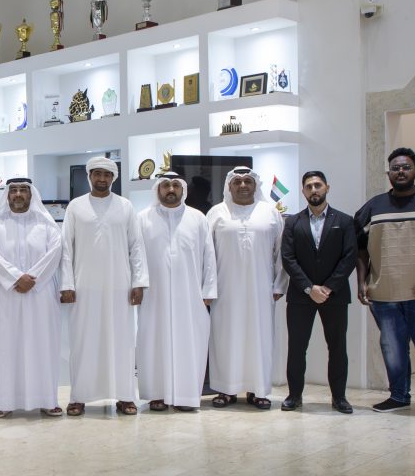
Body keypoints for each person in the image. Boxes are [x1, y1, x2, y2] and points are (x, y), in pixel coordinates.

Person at [355, 147, 415, 420]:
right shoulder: (373, 207)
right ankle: (398, 396)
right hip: (385, 293)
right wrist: (361, 282)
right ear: (388, 173)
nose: (401, 171)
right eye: (396, 168)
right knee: (392, 348)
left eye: (406, 167)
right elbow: (359, 249)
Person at [60, 157, 147, 417]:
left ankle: (125, 396)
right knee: (83, 341)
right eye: (97, 174)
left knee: (121, 341)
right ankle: (79, 397)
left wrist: (138, 282)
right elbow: (66, 248)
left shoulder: (126, 206)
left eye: (106, 174)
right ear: (89, 176)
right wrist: (67, 284)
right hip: (84, 286)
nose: (101, 179)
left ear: (113, 178)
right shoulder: (76, 207)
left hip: (119, 286)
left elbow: (136, 246)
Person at [206, 167, 287, 410]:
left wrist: (279, 284)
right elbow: (207, 254)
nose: (243, 185)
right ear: (229, 186)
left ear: (255, 186)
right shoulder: (216, 213)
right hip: (225, 291)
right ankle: (225, 389)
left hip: (260, 289)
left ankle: (258, 390)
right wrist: (209, 288)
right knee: (225, 338)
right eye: (237, 181)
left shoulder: (270, 213)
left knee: (259, 338)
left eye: (248, 181)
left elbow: (281, 252)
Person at [136, 172, 217, 412]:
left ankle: (186, 396)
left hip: (190, 294)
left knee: (189, 343)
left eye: (175, 185)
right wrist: (137, 284)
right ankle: (156, 394)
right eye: (165, 185)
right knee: (153, 341)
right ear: (158, 189)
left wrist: (209, 289)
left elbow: (209, 255)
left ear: (182, 189)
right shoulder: (143, 218)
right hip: (154, 294)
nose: (170, 189)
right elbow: (136, 256)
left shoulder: (197, 218)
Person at [0, 178, 63, 417]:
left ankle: (47, 400)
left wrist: (32, 279)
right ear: (7, 195)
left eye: (23, 190)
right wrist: (16, 278)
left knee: (43, 346)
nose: (18, 194)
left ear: (31, 194)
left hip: (41, 294)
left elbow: (55, 252)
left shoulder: (46, 223)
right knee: (7, 347)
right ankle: (4, 402)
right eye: (14, 190)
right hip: (6, 295)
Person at [281, 171, 357, 414]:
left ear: (327, 188)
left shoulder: (344, 221)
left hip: (334, 295)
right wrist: (308, 287)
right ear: (303, 191)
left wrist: (328, 287)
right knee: (296, 347)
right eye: (309, 186)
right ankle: (294, 396)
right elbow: (288, 258)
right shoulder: (292, 222)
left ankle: (339, 398)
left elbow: (349, 257)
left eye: (318, 185)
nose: (314, 190)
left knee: (337, 347)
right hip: (300, 296)